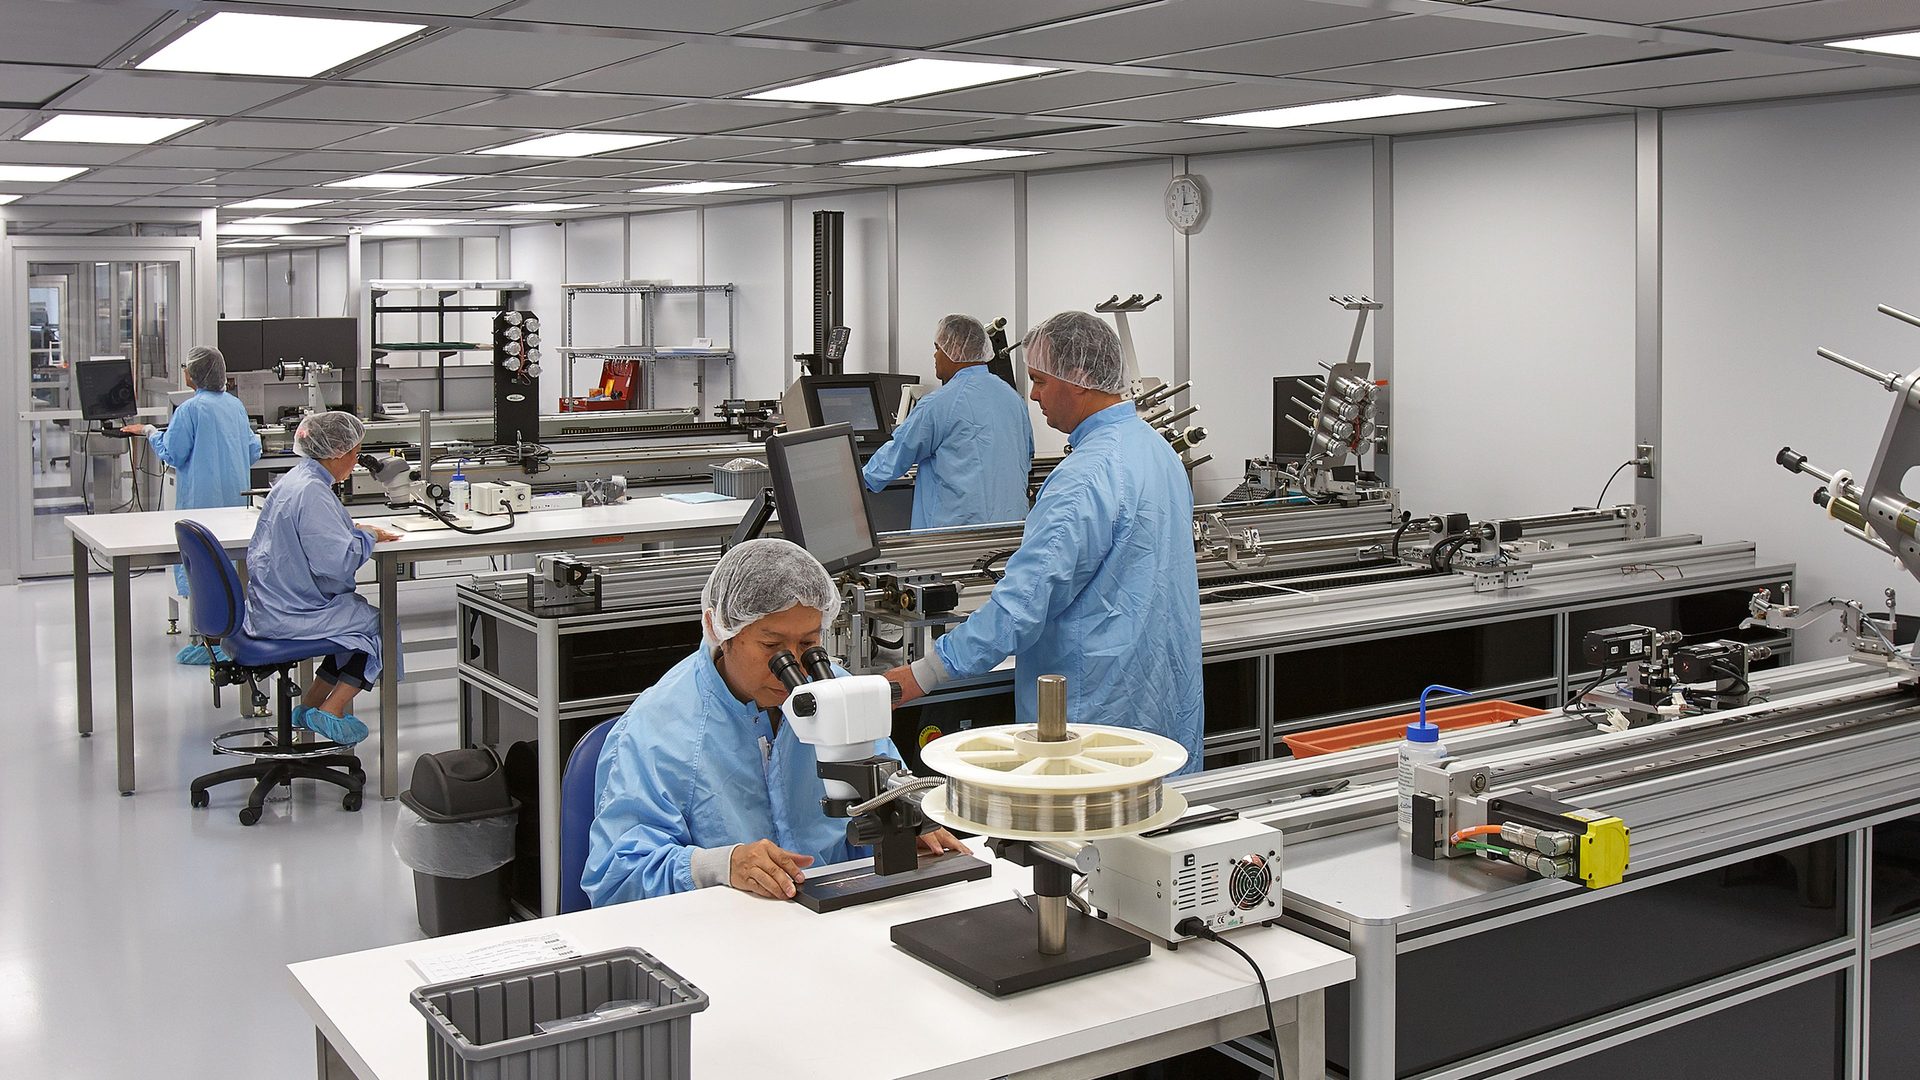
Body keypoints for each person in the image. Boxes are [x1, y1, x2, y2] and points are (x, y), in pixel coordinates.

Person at [883, 311, 1204, 772]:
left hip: (1091, 716)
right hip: (1159, 700)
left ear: (1077, 379)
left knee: (1087, 838)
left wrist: (921, 675)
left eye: (1038, 380)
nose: (1032, 395)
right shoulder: (1157, 450)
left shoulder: (1083, 478)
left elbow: (1021, 607)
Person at [583, 538, 968, 906]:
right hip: (721, 935)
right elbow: (616, 880)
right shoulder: (658, 729)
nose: (796, 665)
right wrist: (723, 865)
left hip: (829, 919)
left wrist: (905, 832)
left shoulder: (838, 692)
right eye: (772, 647)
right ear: (721, 631)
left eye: (808, 644)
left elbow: (879, 803)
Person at [243, 411, 400, 747]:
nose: (356, 463)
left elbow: (308, 536)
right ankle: (332, 709)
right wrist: (366, 537)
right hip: (291, 614)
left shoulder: (297, 479)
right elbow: (337, 563)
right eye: (355, 455)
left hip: (272, 605)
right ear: (335, 453)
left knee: (351, 622)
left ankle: (311, 705)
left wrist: (352, 530)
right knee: (376, 625)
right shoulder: (313, 492)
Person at [122, 345, 262, 663]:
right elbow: (253, 450)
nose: (184, 370)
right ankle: (235, 638)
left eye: (186, 366)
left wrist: (149, 432)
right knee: (233, 570)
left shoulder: (190, 410)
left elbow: (173, 453)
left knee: (204, 572)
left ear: (194, 373)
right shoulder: (235, 406)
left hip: (202, 504)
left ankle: (211, 645)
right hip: (235, 503)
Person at [861, 314, 1034, 529]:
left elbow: (896, 456)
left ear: (955, 350)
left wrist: (853, 482)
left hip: (953, 539)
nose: (934, 356)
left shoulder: (939, 404)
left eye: (937, 348)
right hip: (1010, 533)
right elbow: (1026, 457)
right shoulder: (1013, 398)